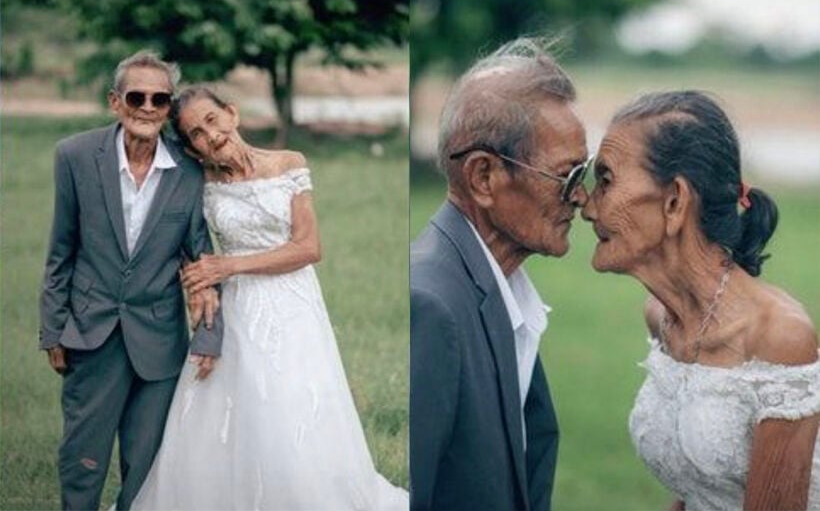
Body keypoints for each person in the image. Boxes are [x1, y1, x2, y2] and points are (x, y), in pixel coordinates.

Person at [129, 86, 408, 510]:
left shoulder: (289, 163)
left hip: (293, 304)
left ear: (232, 114)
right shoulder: (199, 183)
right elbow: (189, 247)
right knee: (239, 408)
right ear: (192, 149)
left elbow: (308, 248)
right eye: (196, 135)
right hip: (238, 311)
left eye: (212, 120)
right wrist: (206, 298)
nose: (210, 135)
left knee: (295, 401)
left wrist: (229, 266)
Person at [581, 90, 820, 510]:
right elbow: (698, 486)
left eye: (605, 180)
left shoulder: (780, 339)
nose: (586, 204)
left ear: (675, 201)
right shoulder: (662, 318)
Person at [410, 37, 592, 511]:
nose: (581, 198)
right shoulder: (430, 306)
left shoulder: (494, 285)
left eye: (585, 174)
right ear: (483, 178)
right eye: (567, 177)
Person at [38, 51, 223, 510]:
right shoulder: (75, 156)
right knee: (84, 458)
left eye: (159, 99)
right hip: (89, 333)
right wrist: (52, 329)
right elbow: (61, 250)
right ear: (115, 102)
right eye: (136, 96)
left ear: (167, 107)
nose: (147, 107)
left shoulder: (188, 170)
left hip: (159, 342)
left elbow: (200, 256)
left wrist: (209, 336)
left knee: (146, 465)